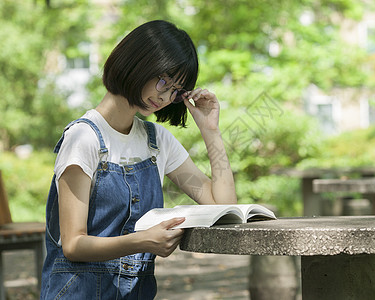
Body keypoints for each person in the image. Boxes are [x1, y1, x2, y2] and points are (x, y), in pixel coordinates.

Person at [40, 20, 237, 299]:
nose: (165, 96)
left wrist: (211, 131)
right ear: (137, 62)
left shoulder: (157, 141)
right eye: (163, 80)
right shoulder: (84, 138)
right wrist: (143, 241)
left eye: (175, 90)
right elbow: (73, 244)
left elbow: (223, 207)